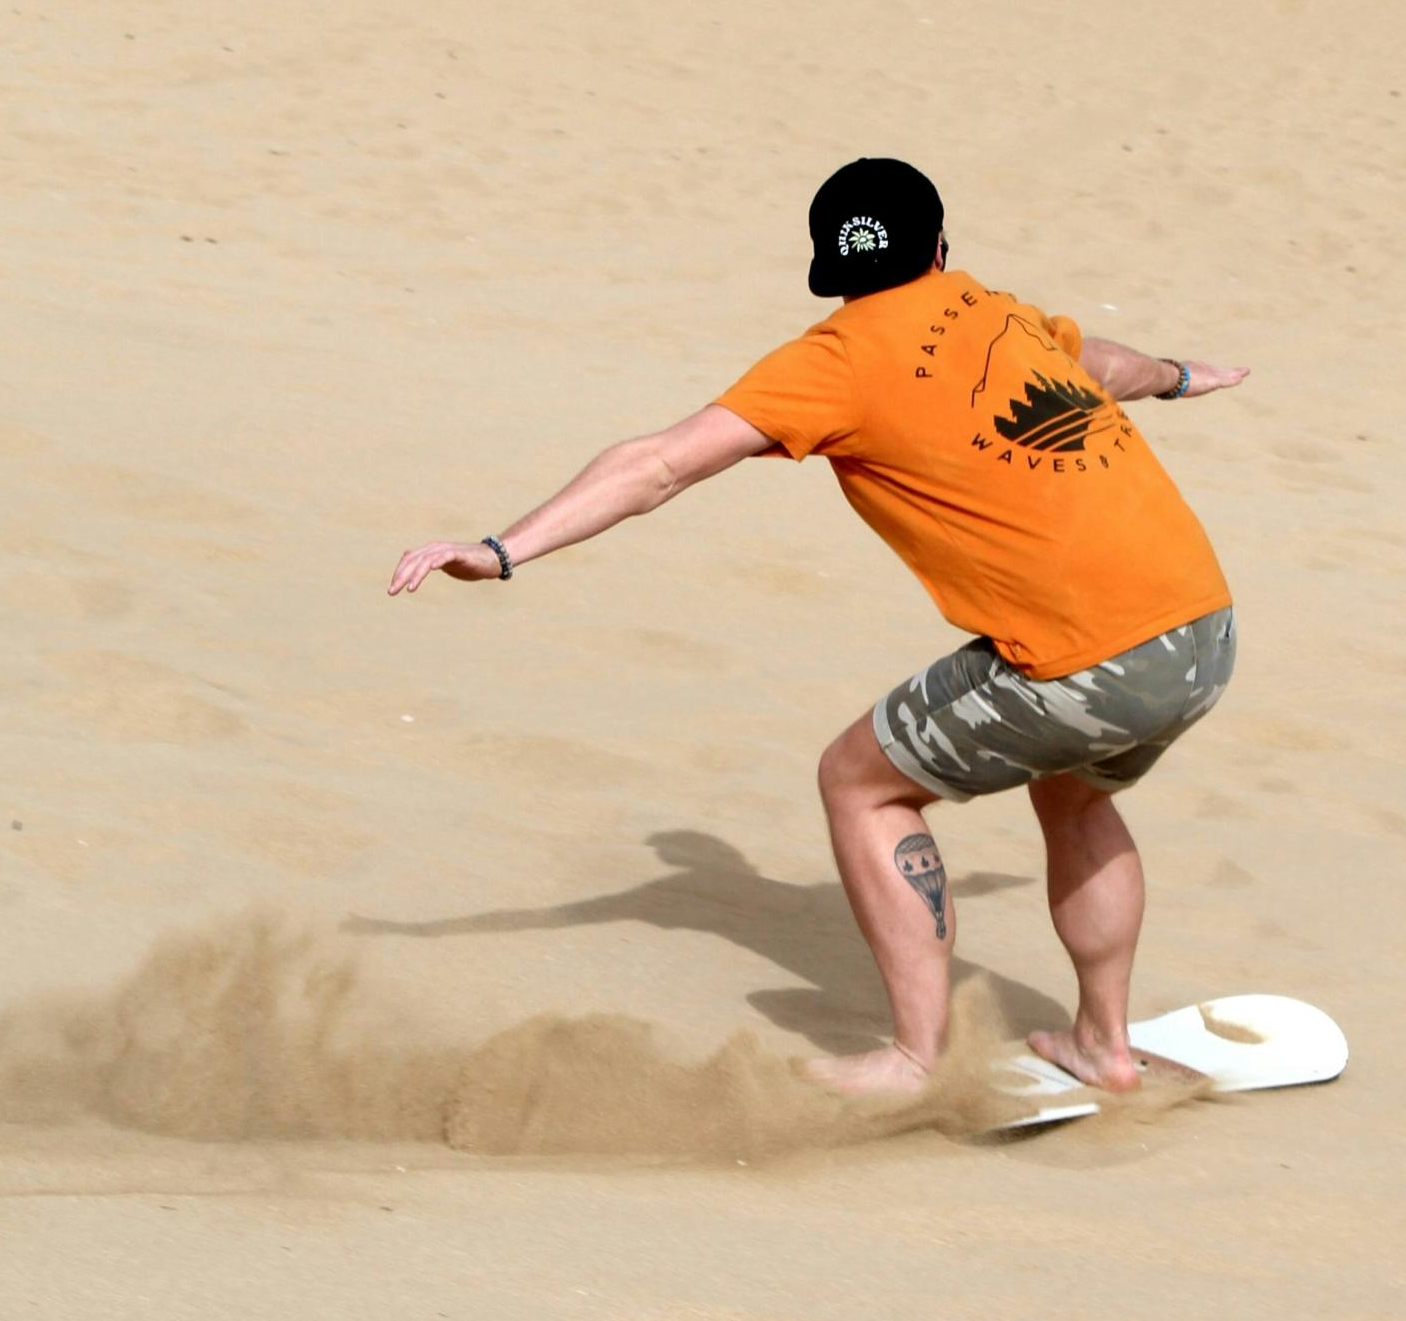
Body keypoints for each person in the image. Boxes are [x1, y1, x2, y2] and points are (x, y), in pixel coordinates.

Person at [387, 159, 1248, 1095]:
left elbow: (659, 465)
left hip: (1091, 662)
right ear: (940, 248)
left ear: (830, 276)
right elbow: (1105, 366)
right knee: (1076, 794)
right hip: (1204, 628)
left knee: (859, 783)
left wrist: (504, 549)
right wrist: (1179, 376)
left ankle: (918, 1059)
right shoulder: (1000, 311)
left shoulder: (835, 360)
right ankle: (1105, 1048)